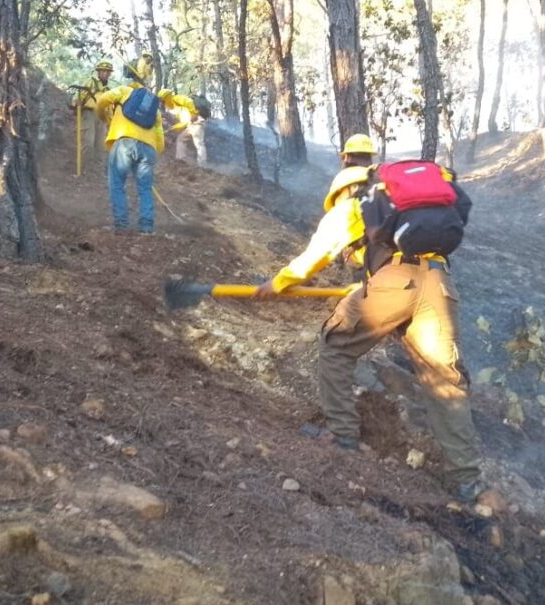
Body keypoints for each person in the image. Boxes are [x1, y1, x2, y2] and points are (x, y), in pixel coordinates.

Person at [254, 134, 487, 503]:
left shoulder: (354, 203)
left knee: (335, 342)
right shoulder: (399, 200)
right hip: (440, 286)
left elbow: (315, 257)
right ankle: (469, 481)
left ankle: (342, 434)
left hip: (394, 282)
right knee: (444, 380)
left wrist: (276, 283)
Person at [94, 59, 188, 234]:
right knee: (144, 188)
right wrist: (152, 153)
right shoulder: (153, 107)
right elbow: (159, 138)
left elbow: (102, 101)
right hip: (149, 150)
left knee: (117, 184)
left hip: (124, 143)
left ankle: (121, 225)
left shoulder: (124, 91)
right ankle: (146, 228)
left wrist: (105, 118)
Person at [70, 61, 113, 171]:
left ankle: (97, 170)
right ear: (98, 72)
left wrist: (110, 120)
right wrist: (76, 102)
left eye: (108, 72)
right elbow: (80, 94)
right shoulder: (91, 82)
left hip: (102, 116)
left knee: (101, 145)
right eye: (103, 71)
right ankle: (84, 169)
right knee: (87, 142)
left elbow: (110, 105)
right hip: (89, 113)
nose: (105, 73)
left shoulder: (109, 89)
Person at [170, 94, 211, 166]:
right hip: (194, 124)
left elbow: (189, 116)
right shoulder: (198, 105)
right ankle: (180, 159)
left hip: (197, 123)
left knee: (199, 144)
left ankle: (202, 164)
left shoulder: (190, 104)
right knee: (181, 138)